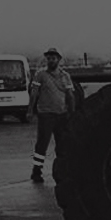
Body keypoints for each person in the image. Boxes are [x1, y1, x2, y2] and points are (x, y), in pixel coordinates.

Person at [28, 47, 76, 184]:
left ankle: (63, 170)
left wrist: (72, 114)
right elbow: (34, 93)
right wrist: (30, 110)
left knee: (63, 144)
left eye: (53, 58)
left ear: (59, 60)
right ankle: (36, 170)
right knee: (42, 144)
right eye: (49, 58)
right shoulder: (40, 75)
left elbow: (70, 95)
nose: (51, 60)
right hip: (46, 115)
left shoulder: (65, 76)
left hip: (62, 115)